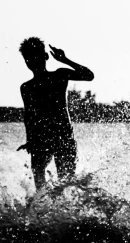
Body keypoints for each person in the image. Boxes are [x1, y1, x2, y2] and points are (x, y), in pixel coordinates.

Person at [17, 38, 94, 190]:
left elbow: (89, 75)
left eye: (35, 57)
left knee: (66, 183)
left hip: (63, 136)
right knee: (40, 179)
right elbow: (29, 116)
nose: (32, 61)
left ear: (45, 57)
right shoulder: (26, 87)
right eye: (28, 59)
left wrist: (65, 60)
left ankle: (61, 210)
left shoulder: (59, 75)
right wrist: (30, 140)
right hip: (41, 139)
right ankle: (42, 210)